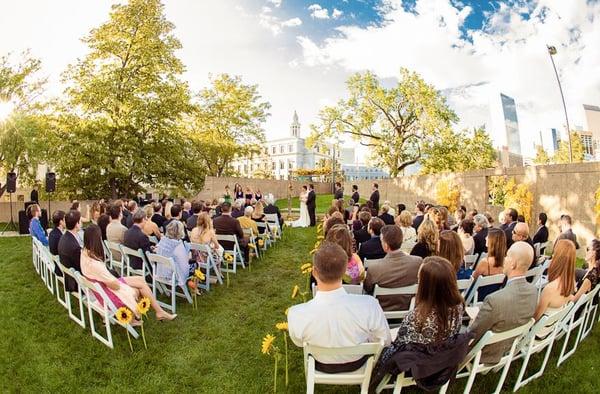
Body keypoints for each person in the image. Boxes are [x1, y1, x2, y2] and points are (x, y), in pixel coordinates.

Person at [287, 242, 391, 369]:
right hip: (358, 361)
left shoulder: (297, 313)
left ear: (314, 272)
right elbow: (384, 340)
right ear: (344, 271)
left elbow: (299, 342)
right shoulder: (369, 305)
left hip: (320, 362)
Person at [374, 256, 464, 371]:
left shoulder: (417, 317)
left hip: (416, 366)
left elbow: (399, 347)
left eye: (419, 279)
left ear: (427, 286)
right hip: (440, 359)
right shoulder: (459, 306)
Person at [80, 224, 176, 321]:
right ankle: (154, 313)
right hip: (109, 292)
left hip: (105, 286)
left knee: (140, 280)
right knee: (138, 288)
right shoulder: (95, 264)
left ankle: (157, 312)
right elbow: (115, 286)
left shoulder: (84, 254)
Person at [469, 242, 537, 364]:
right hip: (508, 348)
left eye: (507, 256)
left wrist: (473, 322)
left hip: (483, 354)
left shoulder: (494, 300)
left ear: (513, 264)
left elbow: (472, 335)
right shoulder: (534, 292)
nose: (504, 259)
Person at [364, 225, 422, 311]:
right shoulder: (418, 262)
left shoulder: (374, 268)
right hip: (407, 310)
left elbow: (367, 288)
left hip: (381, 312)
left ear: (386, 245)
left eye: (381, 241)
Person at [534, 239, 575, 320]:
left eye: (554, 253)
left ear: (558, 258)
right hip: (552, 327)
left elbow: (535, 318)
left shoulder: (550, 288)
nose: (552, 256)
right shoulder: (570, 283)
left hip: (540, 331)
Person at [156, 221, 194, 288]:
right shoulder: (178, 245)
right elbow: (184, 265)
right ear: (180, 231)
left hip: (161, 271)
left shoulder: (163, 241)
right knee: (195, 264)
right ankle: (194, 287)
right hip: (173, 274)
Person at [472, 228, 506, 301]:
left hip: (480, 298)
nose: (485, 238)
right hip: (496, 297)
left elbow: (473, 281)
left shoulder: (485, 262)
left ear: (492, 241)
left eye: (488, 236)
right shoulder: (506, 261)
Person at [58, 210, 83, 292]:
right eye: (80, 221)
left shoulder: (64, 237)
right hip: (76, 283)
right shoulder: (74, 246)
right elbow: (81, 267)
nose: (82, 223)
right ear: (76, 224)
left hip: (69, 277)